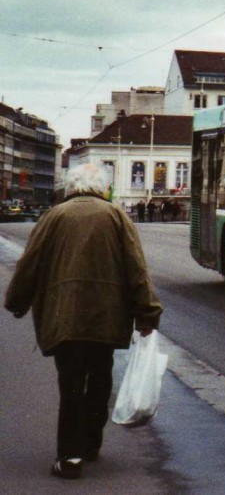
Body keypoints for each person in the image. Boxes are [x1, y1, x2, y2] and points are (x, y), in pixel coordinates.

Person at [4, 162, 163, 480]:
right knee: (101, 376)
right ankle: (91, 441)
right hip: (107, 315)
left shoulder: (54, 216)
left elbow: (30, 262)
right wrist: (147, 313)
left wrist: (16, 301)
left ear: (71, 186)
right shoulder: (116, 216)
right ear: (102, 187)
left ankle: (70, 457)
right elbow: (136, 268)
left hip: (64, 315)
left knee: (71, 382)